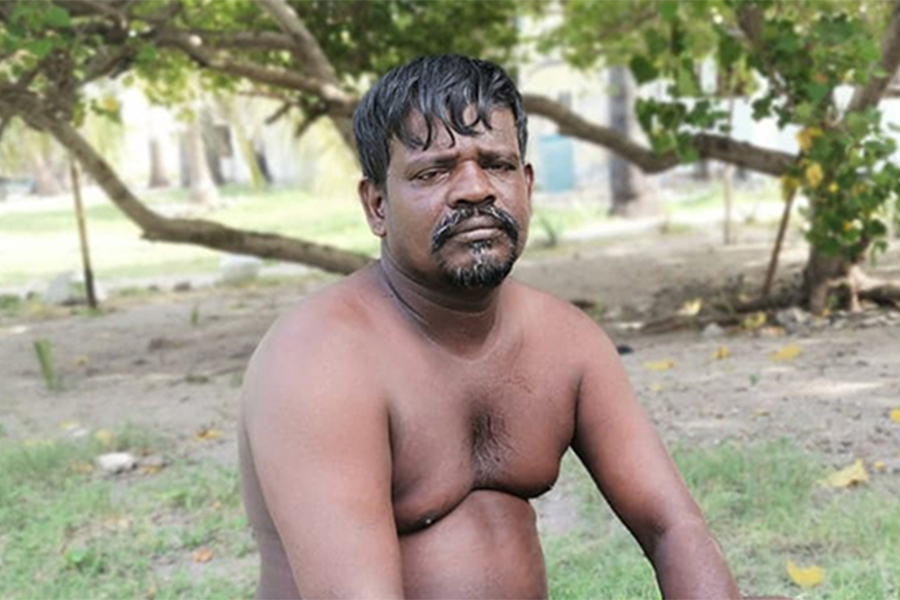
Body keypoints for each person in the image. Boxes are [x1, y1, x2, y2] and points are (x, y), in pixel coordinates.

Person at [239, 54, 741, 599]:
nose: (475, 189)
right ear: (377, 204)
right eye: (434, 171)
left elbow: (673, 527)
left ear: (526, 183)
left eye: (497, 164)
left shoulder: (566, 341)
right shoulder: (320, 359)